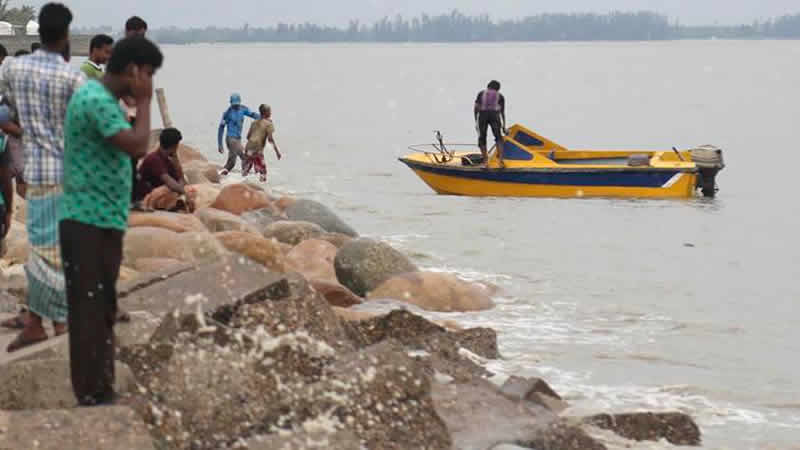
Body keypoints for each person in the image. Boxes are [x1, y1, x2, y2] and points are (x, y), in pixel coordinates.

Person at [60, 35, 161, 405]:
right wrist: (147, 101)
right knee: (89, 309)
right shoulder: (95, 99)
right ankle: (91, 396)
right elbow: (137, 144)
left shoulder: (104, 100)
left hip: (102, 219)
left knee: (101, 308)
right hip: (87, 221)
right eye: (146, 73)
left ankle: (101, 389)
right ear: (133, 69)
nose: (147, 81)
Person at [0, 3, 86, 352]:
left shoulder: (15, 69)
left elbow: (3, 107)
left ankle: (46, 320)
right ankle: (52, 320)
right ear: (65, 35)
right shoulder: (74, 78)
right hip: (67, 169)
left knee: (42, 244)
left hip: (37, 170)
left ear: (39, 33)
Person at [135, 127, 196, 212]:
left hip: (160, 194)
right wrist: (184, 193)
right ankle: (176, 205)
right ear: (175, 146)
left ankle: (178, 204)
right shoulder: (154, 159)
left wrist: (177, 163)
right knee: (169, 189)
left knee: (189, 190)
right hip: (146, 197)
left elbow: (181, 181)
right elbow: (169, 182)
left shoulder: (168, 160)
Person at [217, 93, 259, 176]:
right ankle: (243, 175)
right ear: (231, 103)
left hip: (238, 139)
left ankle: (223, 174)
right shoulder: (227, 113)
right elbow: (221, 129)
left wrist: (262, 118)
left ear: (239, 103)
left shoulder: (243, 109)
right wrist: (220, 145)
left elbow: (252, 114)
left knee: (237, 160)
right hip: (230, 139)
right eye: (234, 105)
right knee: (240, 158)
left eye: (237, 105)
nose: (235, 107)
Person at [242, 104, 281, 182]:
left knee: (247, 168)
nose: (271, 113)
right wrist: (277, 152)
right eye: (270, 111)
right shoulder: (269, 124)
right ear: (266, 113)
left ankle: (241, 184)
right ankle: (261, 188)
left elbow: (248, 136)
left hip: (248, 147)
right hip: (257, 149)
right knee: (263, 171)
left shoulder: (254, 122)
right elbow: (270, 139)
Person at [474, 80, 507, 168]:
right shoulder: (500, 96)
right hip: (495, 115)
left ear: (488, 86)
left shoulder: (481, 93)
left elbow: (476, 108)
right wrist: (504, 126)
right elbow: (502, 112)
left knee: (482, 138)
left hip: (483, 115)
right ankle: (500, 161)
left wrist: (476, 122)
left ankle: (485, 161)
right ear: (498, 89)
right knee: (498, 137)